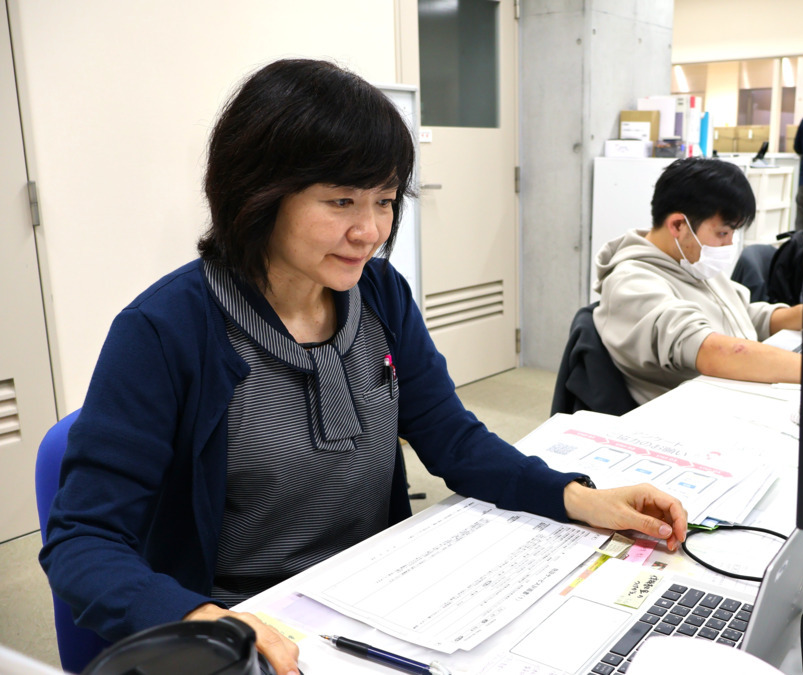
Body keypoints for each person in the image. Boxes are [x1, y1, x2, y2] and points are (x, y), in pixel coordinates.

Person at [39, 59, 688, 675]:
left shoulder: (380, 295)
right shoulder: (166, 330)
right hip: (248, 627)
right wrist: (207, 622)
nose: (371, 230)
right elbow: (81, 539)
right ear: (258, 195)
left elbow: (452, 438)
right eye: (341, 201)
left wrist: (577, 497)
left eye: (383, 200)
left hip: (376, 604)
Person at [593, 157, 803, 405]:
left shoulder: (691, 262)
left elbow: (743, 315)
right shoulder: (632, 282)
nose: (729, 243)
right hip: (690, 420)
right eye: (723, 233)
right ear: (678, 225)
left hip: (731, 398)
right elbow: (710, 350)